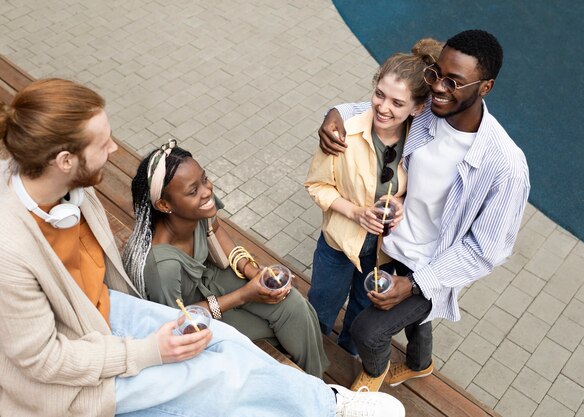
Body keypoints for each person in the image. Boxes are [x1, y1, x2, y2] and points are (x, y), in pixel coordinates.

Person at [0, 78, 406, 416]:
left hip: (99, 310)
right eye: (103, 144)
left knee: (228, 344)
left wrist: (247, 270)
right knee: (217, 382)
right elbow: (44, 361)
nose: (115, 150)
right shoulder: (11, 254)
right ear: (66, 160)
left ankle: (326, 401)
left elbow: (215, 231)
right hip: (68, 373)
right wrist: (147, 352)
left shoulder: (67, 188)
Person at [318, 29, 530, 391]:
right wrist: (334, 114)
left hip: (429, 266)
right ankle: (420, 363)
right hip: (390, 246)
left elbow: (487, 251)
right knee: (411, 319)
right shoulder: (430, 113)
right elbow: (381, 111)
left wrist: (416, 284)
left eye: (453, 81)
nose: (438, 87)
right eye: (435, 74)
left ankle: (372, 377)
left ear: (485, 87)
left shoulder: (506, 167)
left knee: (368, 330)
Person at [122, 141, 329, 377]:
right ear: (164, 204)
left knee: (294, 305)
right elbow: (179, 320)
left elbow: (216, 228)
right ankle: (312, 385)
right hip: (198, 313)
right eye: (193, 190)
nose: (206, 190)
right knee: (285, 329)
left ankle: (316, 378)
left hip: (214, 275)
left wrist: (250, 269)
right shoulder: (161, 266)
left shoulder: (197, 207)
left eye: (204, 178)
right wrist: (244, 295)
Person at [304, 38, 443, 356]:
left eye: (397, 103)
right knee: (320, 310)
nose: (383, 107)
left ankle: (348, 357)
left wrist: (401, 202)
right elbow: (317, 186)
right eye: (379, 95)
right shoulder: (344, 134)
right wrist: (354, 213)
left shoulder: (422, 145)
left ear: (417, 108)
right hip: (338, 246)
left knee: (362, 316)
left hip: (383, 254)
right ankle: (309, 354)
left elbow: (425, 193)